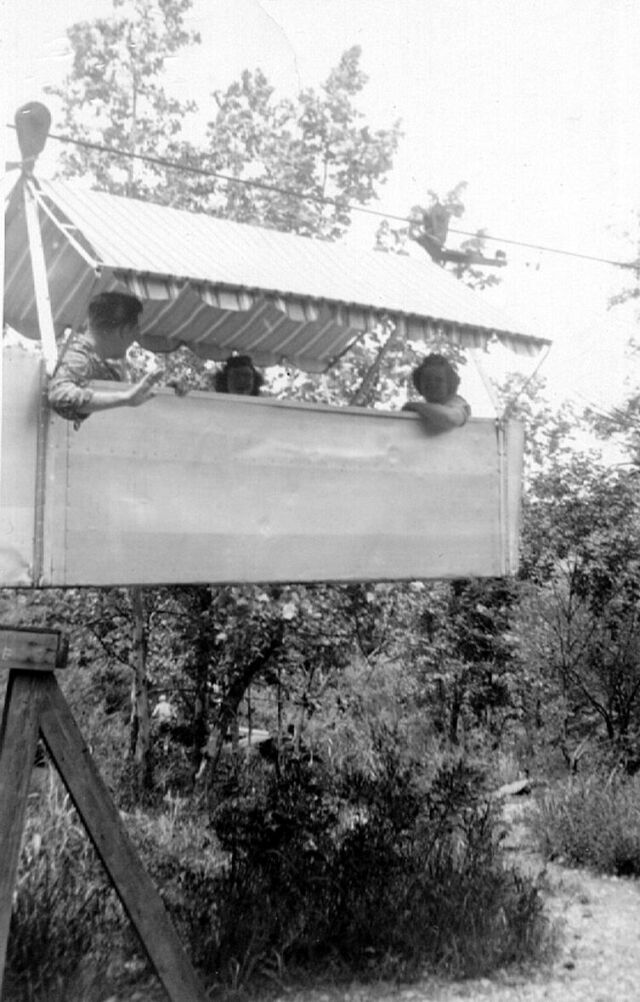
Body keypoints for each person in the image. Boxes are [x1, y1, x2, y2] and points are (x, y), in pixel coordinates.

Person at [47, 291, 161, 429]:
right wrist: (125, 398)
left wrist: (169, 391)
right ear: (124, 331)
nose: (137, 337)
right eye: (135, 330)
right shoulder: (78, 357)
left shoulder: (101, 361)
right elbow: (59, 395)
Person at [402, 353, 471, 431]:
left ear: (450, 383)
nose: (432, 384)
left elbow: (450, 418)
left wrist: (414, 406)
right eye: (427, 379)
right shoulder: (426, 411)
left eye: (438, 380)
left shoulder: (459, 404)